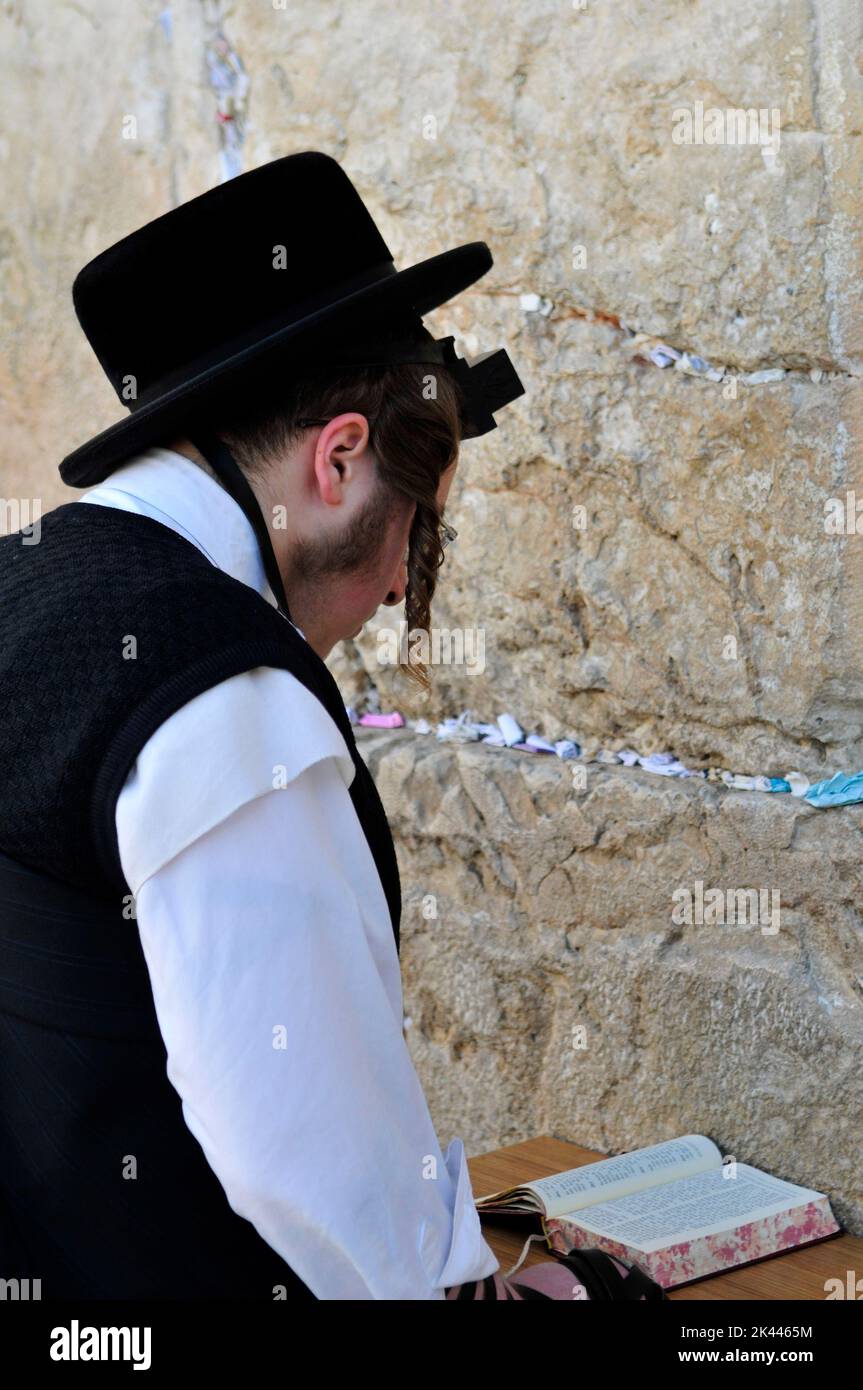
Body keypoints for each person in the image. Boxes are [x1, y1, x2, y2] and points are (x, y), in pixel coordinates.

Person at [0, 152, 663, 1301]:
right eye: (415, 526)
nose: (403, 582)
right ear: (339, 457)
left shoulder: (22, 583)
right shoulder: (218, 693)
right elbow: (299, 1148)